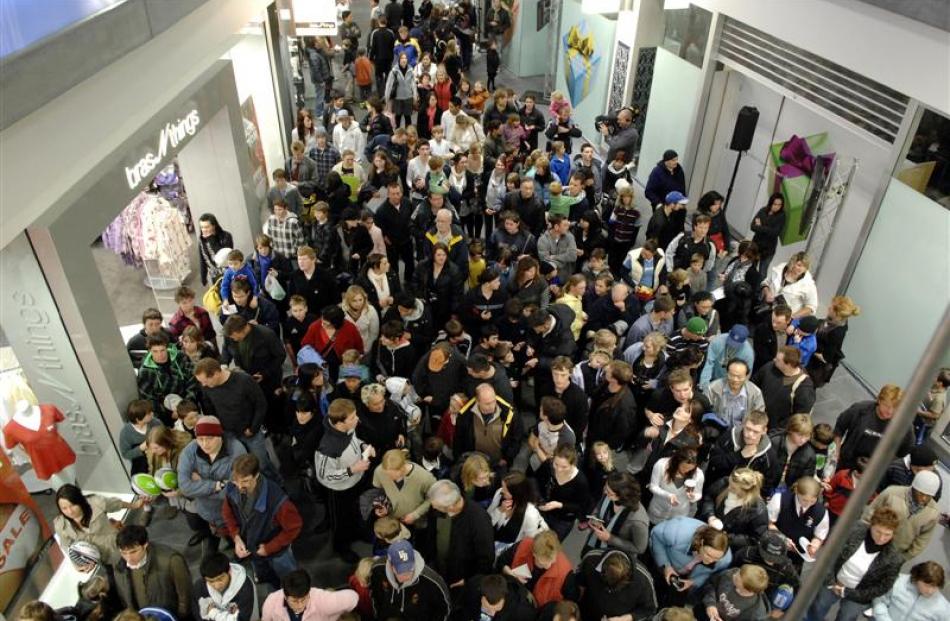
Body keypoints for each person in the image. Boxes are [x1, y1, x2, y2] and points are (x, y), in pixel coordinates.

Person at [804, 506, 902, 621]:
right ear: (871, 525)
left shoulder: (894, 558)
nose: (881, 538)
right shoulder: (854, 530)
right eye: (878, 531)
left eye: (887, 535)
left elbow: (882, 587)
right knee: (818, 606)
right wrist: (831, 581)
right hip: (834, 581)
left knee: (847, 617)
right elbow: (830, 553)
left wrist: (849, 593)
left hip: (859, 595)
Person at [221, 454, 302, 587]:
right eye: (236, 480)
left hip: (278, 552)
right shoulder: (232, 487)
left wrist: (270, 547)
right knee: (266, 577)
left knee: (290, 581)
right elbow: (227, 512)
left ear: (257, 475)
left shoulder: (278, 501)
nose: (240, 486)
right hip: (253, 548)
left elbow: (294, 527)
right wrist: (236, 537)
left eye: (245, 481)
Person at [177, 416, 248, 552]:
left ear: (219, 435)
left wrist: (199, 486)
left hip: (234, 512)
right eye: (200, 439)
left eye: (209, 439)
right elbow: (185, 487)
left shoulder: (237, 451)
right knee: (220, 531)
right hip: (206, 511)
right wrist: (217, 485)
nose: (204, 444)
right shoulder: (189, 451)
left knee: (240, 537)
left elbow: (237, 490)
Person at [314, 399, 372, 563]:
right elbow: (324, 475)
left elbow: (354, 442)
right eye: (352, 417)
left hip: (355, 481)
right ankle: (341, 547)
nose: (357, 419)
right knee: (340, 521)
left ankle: (356, 532)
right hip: (339, 490)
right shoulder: (328, 447)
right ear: (340, 422)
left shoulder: (349, 429)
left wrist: (363, 446)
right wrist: (351, 470)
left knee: (356, 511)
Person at [54, 484, 144, 570]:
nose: (70, 512)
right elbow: (66, 546)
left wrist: (135, 505)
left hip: (118, 547)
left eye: (72, 505)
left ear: (79, 501)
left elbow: (116, 504)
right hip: (100, 559)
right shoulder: (60, 525)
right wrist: (76, 565)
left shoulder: (96, 502)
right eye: (64, 508)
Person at [112, 524, 193, 620]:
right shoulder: (117, 561)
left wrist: (179, 616)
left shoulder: (171, 561)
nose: (128, 558)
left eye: (133, 552)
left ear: (145, 545)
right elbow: (123, 593)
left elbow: (185, 594)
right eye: (124, 553)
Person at [427, 479, 495, 590]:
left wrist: (468, 580)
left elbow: (486, 558)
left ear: (452, 506)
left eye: (437, 506)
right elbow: (431, 535)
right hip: (438, 568)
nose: (433, 508)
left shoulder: (479, 520)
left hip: (459, 580)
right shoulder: (437, 508)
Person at [861, 470, 940, 561]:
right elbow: (870, 512)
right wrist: (861, 534)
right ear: (914, 488)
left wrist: (904, 558)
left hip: (896, 554)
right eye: (921, 493)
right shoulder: (891, 493)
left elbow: (923, 539)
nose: (924, 498)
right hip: (870, 542)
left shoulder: (933, 512)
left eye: (929, 496)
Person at [833, 384, 913, 471]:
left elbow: (904, 450)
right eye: (886, 405)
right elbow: (839, 428)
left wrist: (884, 462)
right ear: (879, 400)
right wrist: (836, 452)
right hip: (847, 462)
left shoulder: (903, 425)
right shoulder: (859, 410)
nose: (890, 411)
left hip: (873, 470)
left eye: (895, 408)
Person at [649, 518, 732, 600]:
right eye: (708, 554)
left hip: (685, 580)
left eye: (716, 558)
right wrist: (665, 564)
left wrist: (694, 582)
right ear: (702, 542)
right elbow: (656, 536)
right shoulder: (677, 531)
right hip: (662, 563)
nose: (710, 561)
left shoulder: (725, 560)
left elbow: (711, 575)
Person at [368, 540, 451, 620]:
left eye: (410, 569)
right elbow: (374, 594)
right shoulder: (378, 569)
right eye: (401, 571)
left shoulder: (433, 581)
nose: (407, 575)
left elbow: (443, 610)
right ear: (390, 566)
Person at [453, 383, 523, 469]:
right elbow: (458, 440)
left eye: (493, 401)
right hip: (475, 464)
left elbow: (517, 438)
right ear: (478, 401)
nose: (492, 406)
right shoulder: (465, 416)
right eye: (487, 404)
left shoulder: (509, 414)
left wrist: (507, 458)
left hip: (499, 463)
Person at [583, 471, 649, 558]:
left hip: (614, 556)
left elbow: (640, 548)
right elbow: (598, 508)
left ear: (622, 496)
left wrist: (610, 538)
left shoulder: (638, 520)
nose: (605, 493)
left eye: (609, 493)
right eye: (606, 488)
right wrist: (594, 517)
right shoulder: (609, 493)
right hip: (595, 541)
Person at [751, 346, 815, 431]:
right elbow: (754, 383)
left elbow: (799, 418)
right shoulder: (770, 367)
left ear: (788, 364)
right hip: (756, 417)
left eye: (778, 360)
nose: (774, 360)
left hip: (774, 429)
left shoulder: (804, 389)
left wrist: (778, 430)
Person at [767, 475, 829, 564]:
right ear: (796, 491)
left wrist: (814, 547)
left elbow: (819, 536)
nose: (808, 504)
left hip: (797, 556)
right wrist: (782, 539)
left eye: (812, 501)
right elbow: (769, 523)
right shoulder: (780, 499)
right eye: (804, 500)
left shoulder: (821, 512)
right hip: (775, 547)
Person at [260, 568, 358, 621]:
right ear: (285, 596)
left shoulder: (321, 599)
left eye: (303, 599)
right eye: (294, 601)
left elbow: (353, 597)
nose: (300, 605)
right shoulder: (271, 601)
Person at [487, 471, 549, 553]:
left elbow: (528, 541)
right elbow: (487, 520)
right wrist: (499, 510)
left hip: (509, 549)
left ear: (517, 493)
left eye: (506, 490)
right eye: (502, 487)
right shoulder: (499, 494)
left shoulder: (530, 514)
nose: (502, 491)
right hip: (493, 539)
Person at [705, 410, 773, 484]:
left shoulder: (768, 454)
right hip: (718, 487)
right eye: (748, 428)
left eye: (755, 432)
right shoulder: (729, 437)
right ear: (743, 424)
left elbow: (769, 483)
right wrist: (739, 455)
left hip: (747, 493)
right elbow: (714, 461)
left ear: (764, 431)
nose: (750, 434)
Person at [808, 295, 860, 387]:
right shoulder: (839, 320)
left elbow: (826, 357)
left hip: (816, 366)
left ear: (837, 314)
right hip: (817, 348)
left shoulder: (836, 333)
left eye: (831, 308)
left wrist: (809, 347)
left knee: (808, 384)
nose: (828, 308)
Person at [871, 561, 950, 620]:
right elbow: (879, 600)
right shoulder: (898, 582)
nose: (930, 591)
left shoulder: (944, 608)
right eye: (927, 585)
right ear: (917, 578)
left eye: (935, 587)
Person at [192, 552, 256, 621]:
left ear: (229, 571)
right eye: (211, 581)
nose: (216, 586)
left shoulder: (245, 588)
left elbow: (242, 618)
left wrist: (213, 613)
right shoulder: (200, 586)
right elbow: (198, 614)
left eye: (220, 579)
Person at [647, 447, 704, 525]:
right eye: (684, 467)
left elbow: (699, 494)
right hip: (658, 510)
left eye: (690, 469)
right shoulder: (661, 464)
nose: (686, 470)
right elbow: (653, 486)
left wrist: (693, 497)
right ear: (677, 461)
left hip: (679, 515)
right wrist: (668, 495)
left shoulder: (698, 474)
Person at [763, 414, 816, 497]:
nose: (803, 440)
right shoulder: (773, 442)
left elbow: (805, 479)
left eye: (807, 436)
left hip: (788, 491)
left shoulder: (809, 454)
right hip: (767, 485)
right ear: (791, 430)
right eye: (800, 435)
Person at [705, 359, 765, 431]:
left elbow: (758, 418)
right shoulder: (713, 388)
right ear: (727, 373)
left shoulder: (755, 394)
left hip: (742, 432)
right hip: (717, 429)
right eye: (732, 375)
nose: (735, 379)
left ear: (746, 376)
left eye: (739, 377)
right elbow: (705, 411)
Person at [701, 564, 770, 621]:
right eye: (738, 572)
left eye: (737, 579)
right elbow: (711, 584)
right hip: (702, 609)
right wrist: (710, 604)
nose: (734, 575)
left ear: (747, 589)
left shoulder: (756, 613)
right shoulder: (731, 573)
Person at [760, 251, 818, 318]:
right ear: (792, 263)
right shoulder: (779, 269)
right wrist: (767, 292)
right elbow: (765, 283)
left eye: (804, 267)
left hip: (783, 320)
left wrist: (792, 317)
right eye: (799, 265)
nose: (801, 269)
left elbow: (811, 307)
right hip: (766, 311)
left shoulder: (808, 284)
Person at [879, 444, 943, 501]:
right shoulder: (894, 468)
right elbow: (879, 488)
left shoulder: (935, 478)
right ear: (915, 468)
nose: (931, 474)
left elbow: (934, 500)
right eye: (927, 471)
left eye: (932, 469)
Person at [698, 326, 753, 391]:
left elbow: (745, 376)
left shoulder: (748, 353)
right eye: (731, 341)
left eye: (736, 344)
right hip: (714, 376)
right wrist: (704, 386)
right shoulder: (717, 341)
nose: (732, 345)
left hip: (732, 381)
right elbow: (708, 364)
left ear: (744, 341)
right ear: (729, 333)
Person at [120, 399, 164, 474]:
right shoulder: (126, 433)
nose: (152, 414)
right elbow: (126, 454)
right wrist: (141, 448)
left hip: (160, 461)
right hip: (142, 467)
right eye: (149, 414)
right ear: (138, 419)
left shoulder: (156, 423)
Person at [750, 193, 786, 276]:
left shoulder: (782, 215)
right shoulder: (763, 211)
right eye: (775, 204)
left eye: (779, 205)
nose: (777, 206)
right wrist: (767, 229)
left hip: (768, 249)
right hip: (756, 245)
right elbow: (752, 226)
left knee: (762, 272)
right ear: (771, 203)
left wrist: (761, 226)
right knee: (750, 267)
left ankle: (759, 288)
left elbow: (775, 233)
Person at [751, 305, 792, 375]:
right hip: (763, 367)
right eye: (773, 320)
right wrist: (775, 361)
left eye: (779, 323)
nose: (774, 325)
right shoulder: (762, 329)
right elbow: (759, 350)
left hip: (783, 369)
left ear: (788, 321)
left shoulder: (793, 330)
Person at [197, 213, 234, 287]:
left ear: (214, 226)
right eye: (202, 227)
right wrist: (203, 277)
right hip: (215, 276)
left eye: (207, 227)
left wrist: (211, 239)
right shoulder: (202, 240)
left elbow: (223, 256)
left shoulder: (226, 236)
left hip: (227, 273)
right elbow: (202, 259)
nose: (204, 230)